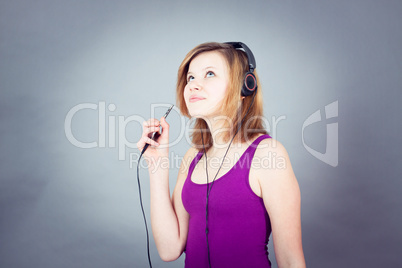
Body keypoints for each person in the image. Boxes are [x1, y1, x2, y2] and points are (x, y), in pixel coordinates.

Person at [136, 42, 306, 268]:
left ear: (245, 87)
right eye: (191, 78)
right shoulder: (192, 157)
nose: (194, 85)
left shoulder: (267, 154)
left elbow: (291, 261)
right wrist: (156, 164)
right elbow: (169, 249)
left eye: (209, 74)